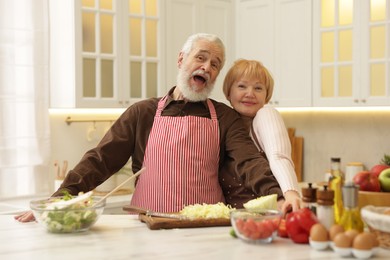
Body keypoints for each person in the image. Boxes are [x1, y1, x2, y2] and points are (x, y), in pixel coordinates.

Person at [15, 33, 284, 223]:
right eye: (200, 57)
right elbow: (100, 160)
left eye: (215, 64)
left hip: (205, 228)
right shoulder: (142, 113)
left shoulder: (225, 117)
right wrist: (62, 197)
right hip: (146, 226)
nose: (207, 66)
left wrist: (279, 197)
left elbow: (249, 161)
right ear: (181, 60)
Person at [221, 59, 301, 213]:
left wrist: (290, 194)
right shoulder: (225, 125)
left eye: (258, 88)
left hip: (271, 215)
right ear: (228, 92)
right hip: (236, 221)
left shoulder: (266, 115)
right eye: (242, 86)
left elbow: (279, 156)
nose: (250, 94)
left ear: (267, 95)